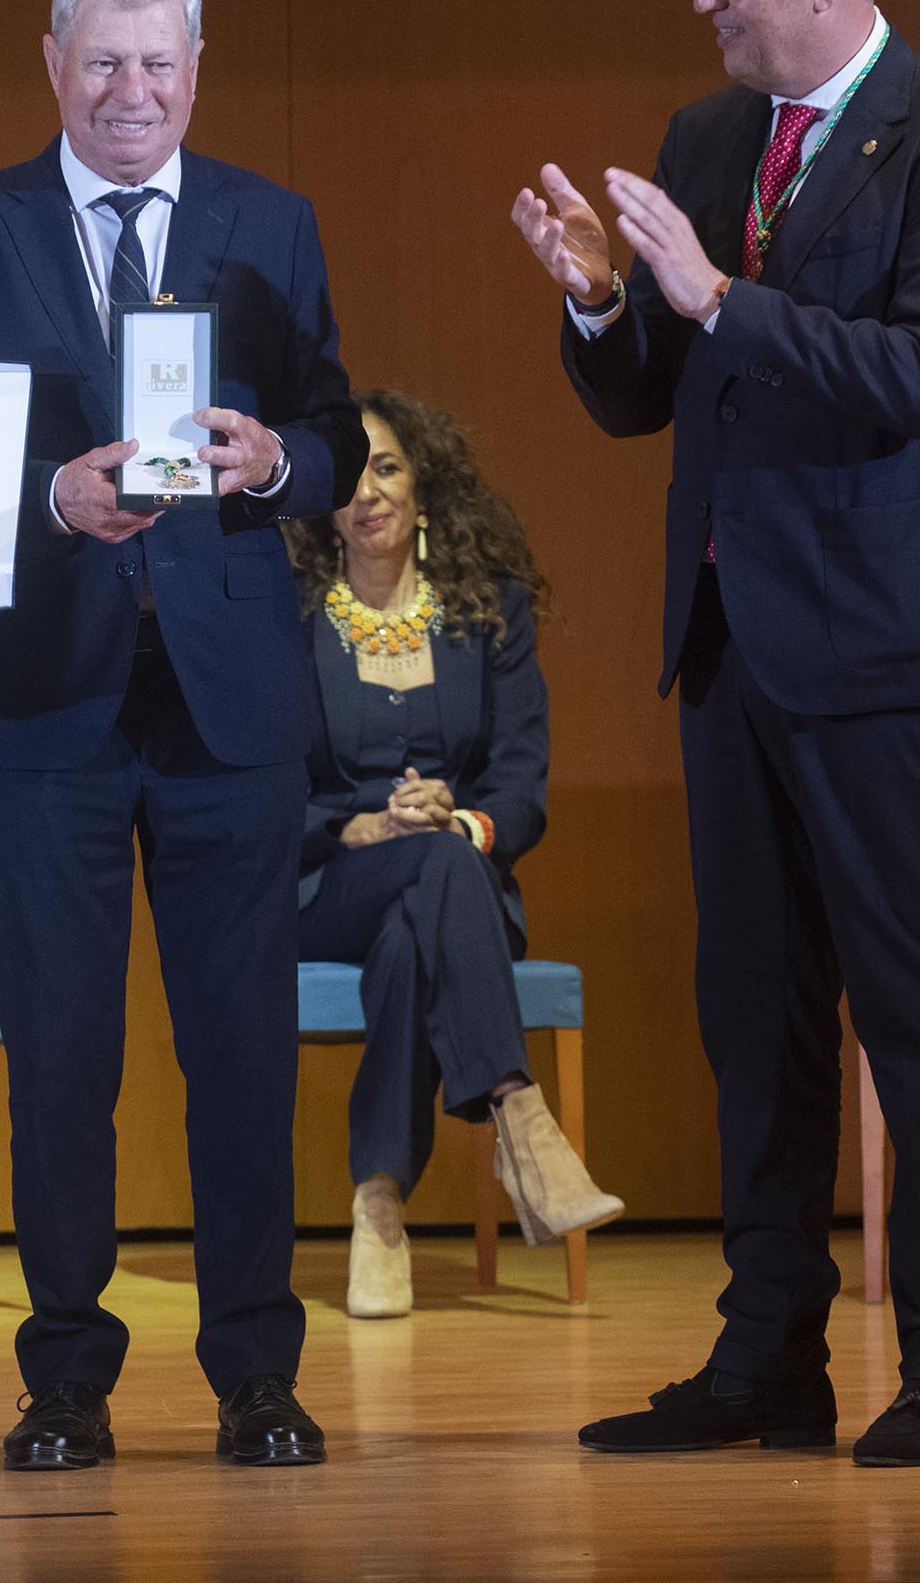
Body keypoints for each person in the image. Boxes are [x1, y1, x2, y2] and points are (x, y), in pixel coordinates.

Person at [511, 0, 920, 1468]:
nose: (701, 0)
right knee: (757, 1017)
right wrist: (610, 305)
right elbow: (650, 392)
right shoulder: (709, 135)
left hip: (895, 652)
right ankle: (770, 1364)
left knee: (917, 1018)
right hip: (733, 646)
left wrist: (715, 294)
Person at [0, 0, 364, 1472]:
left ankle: (255, 1375)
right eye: (102, 62)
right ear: (50, 64)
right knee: (61, 1061)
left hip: (231, 707)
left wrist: (271, 461)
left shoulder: (266, 222)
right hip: (44, 709)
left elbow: (336, 435)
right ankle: (64, 1381)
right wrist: (49, 492)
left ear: (193, 69)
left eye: (158, 63)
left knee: (241, 1054)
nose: (131, 92)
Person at [284, 389, 621, 1319]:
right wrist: (349, 827)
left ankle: (378, 1206)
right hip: (325, 883)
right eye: (350, 477)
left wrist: (460, 819)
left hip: (450, 880)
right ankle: (517, 1115)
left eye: (386, 467)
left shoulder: (488, 613)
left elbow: (519, 783)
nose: (369, 492)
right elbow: (257, 778)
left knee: (414, 926)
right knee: (420, 877)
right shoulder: (288, 618)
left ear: (421, 485)